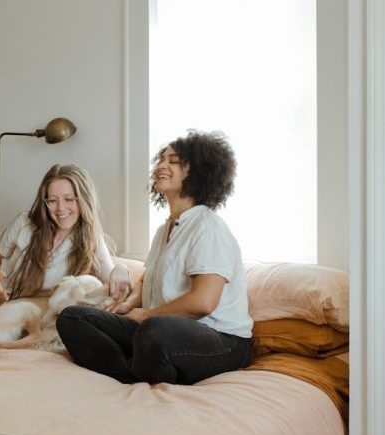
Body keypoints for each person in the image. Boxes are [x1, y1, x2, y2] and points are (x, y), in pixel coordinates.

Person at [56, 131, 253, 385]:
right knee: (73, 318)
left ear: (197, 171)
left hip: (222, 341)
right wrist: (128, 305)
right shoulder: (165, 230)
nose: (161, 165)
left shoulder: (208, 227)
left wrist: (147, 315)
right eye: (161, 159)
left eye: (173, 161)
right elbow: (147, 278)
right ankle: (131, 374)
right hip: (159, 329)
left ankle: (142, 365)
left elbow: (203, 302)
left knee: (154, 332)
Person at [0, 163, 130, 299]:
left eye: (69, 199)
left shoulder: (91, 238)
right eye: (52, 201)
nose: (60, 208)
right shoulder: (24, 223)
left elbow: (110, 277)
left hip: (40, 310)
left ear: (84, 200)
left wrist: (122, 269)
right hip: (0, 298)